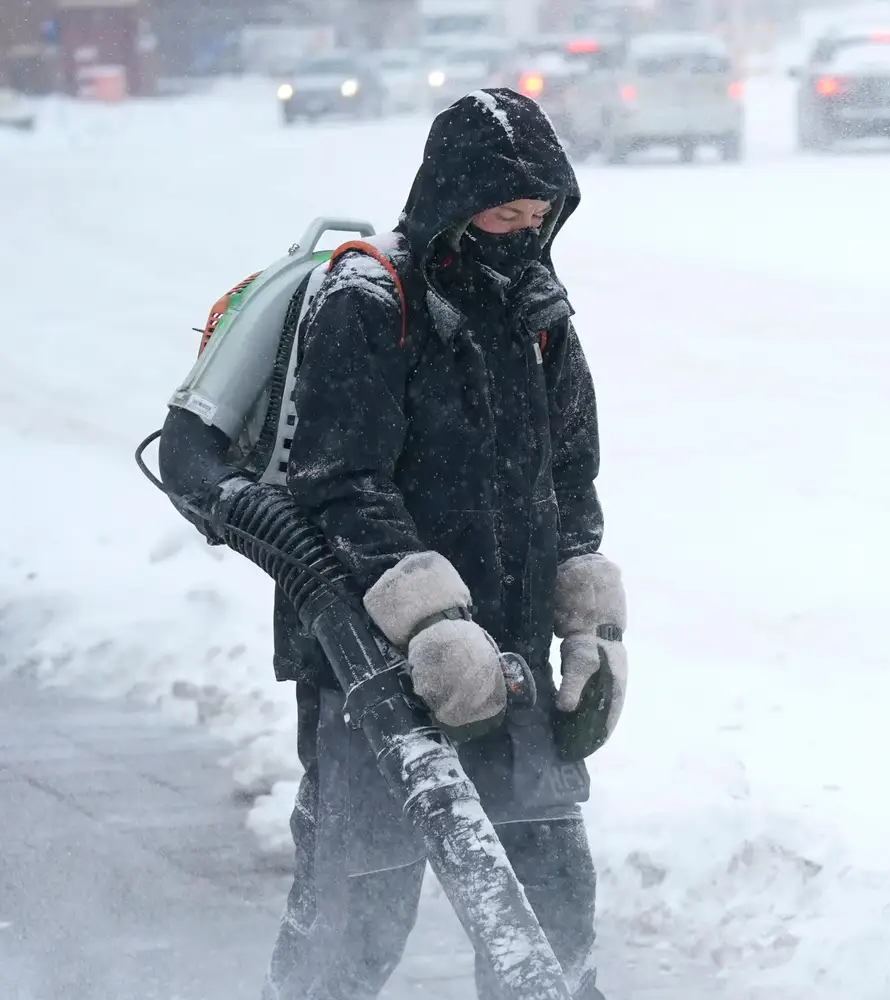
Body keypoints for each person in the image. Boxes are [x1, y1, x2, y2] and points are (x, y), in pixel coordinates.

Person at [262, 88, 628, 1000]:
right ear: (455, 194)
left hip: (512, 656)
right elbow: (338, 482)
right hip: (371, 662)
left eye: (541, 209)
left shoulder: (538, 312)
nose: (527, 223)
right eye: (508, 204)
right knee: (357, 913)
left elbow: (571, 475)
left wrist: (586, 623)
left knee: (553, 910)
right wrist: (429, 620)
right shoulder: (366, 298)